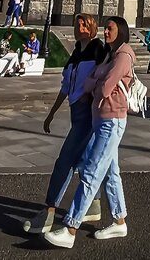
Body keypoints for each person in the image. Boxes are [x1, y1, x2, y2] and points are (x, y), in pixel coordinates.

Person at [44, 16, 135, 247]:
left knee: (92, 172)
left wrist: (97, 82)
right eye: (105, 29)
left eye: (110, 29)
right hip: (100, 118)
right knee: (111, 174)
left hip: (112, 120)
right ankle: (120, 221)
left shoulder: (123, 56)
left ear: (121, 31)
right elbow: (90, 83)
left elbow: (103, 88)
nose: (106, 32)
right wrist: (97, 81)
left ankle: (71, 228)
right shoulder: (109, 55)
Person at [25, 14, 111, 234]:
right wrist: (51, 113)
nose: (78, 27)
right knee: (83, 159)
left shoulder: (97, 48)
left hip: (88, 113)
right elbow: (66, 86)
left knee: (65, 161)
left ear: (91, 28)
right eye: (77, 24)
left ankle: (49, 211)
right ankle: (93, 205)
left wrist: (90, 95)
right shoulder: (75, 53)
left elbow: (106, 76)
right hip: (76, 112)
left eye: (83, 24)